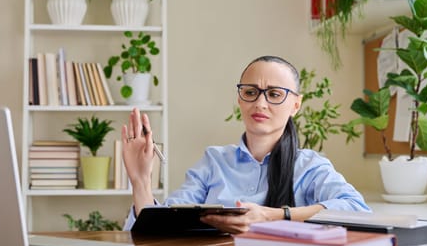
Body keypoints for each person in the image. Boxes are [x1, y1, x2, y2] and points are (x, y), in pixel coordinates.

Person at [121, 55, 370, 234]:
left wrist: (273, 216)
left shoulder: (309, 166)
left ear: (296, 105)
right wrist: (141, 180)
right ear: (240, 99)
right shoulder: (214, 161)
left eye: (274, 94)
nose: (260, 103)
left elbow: (356, 210)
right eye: (251, 92)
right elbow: (158, 228)